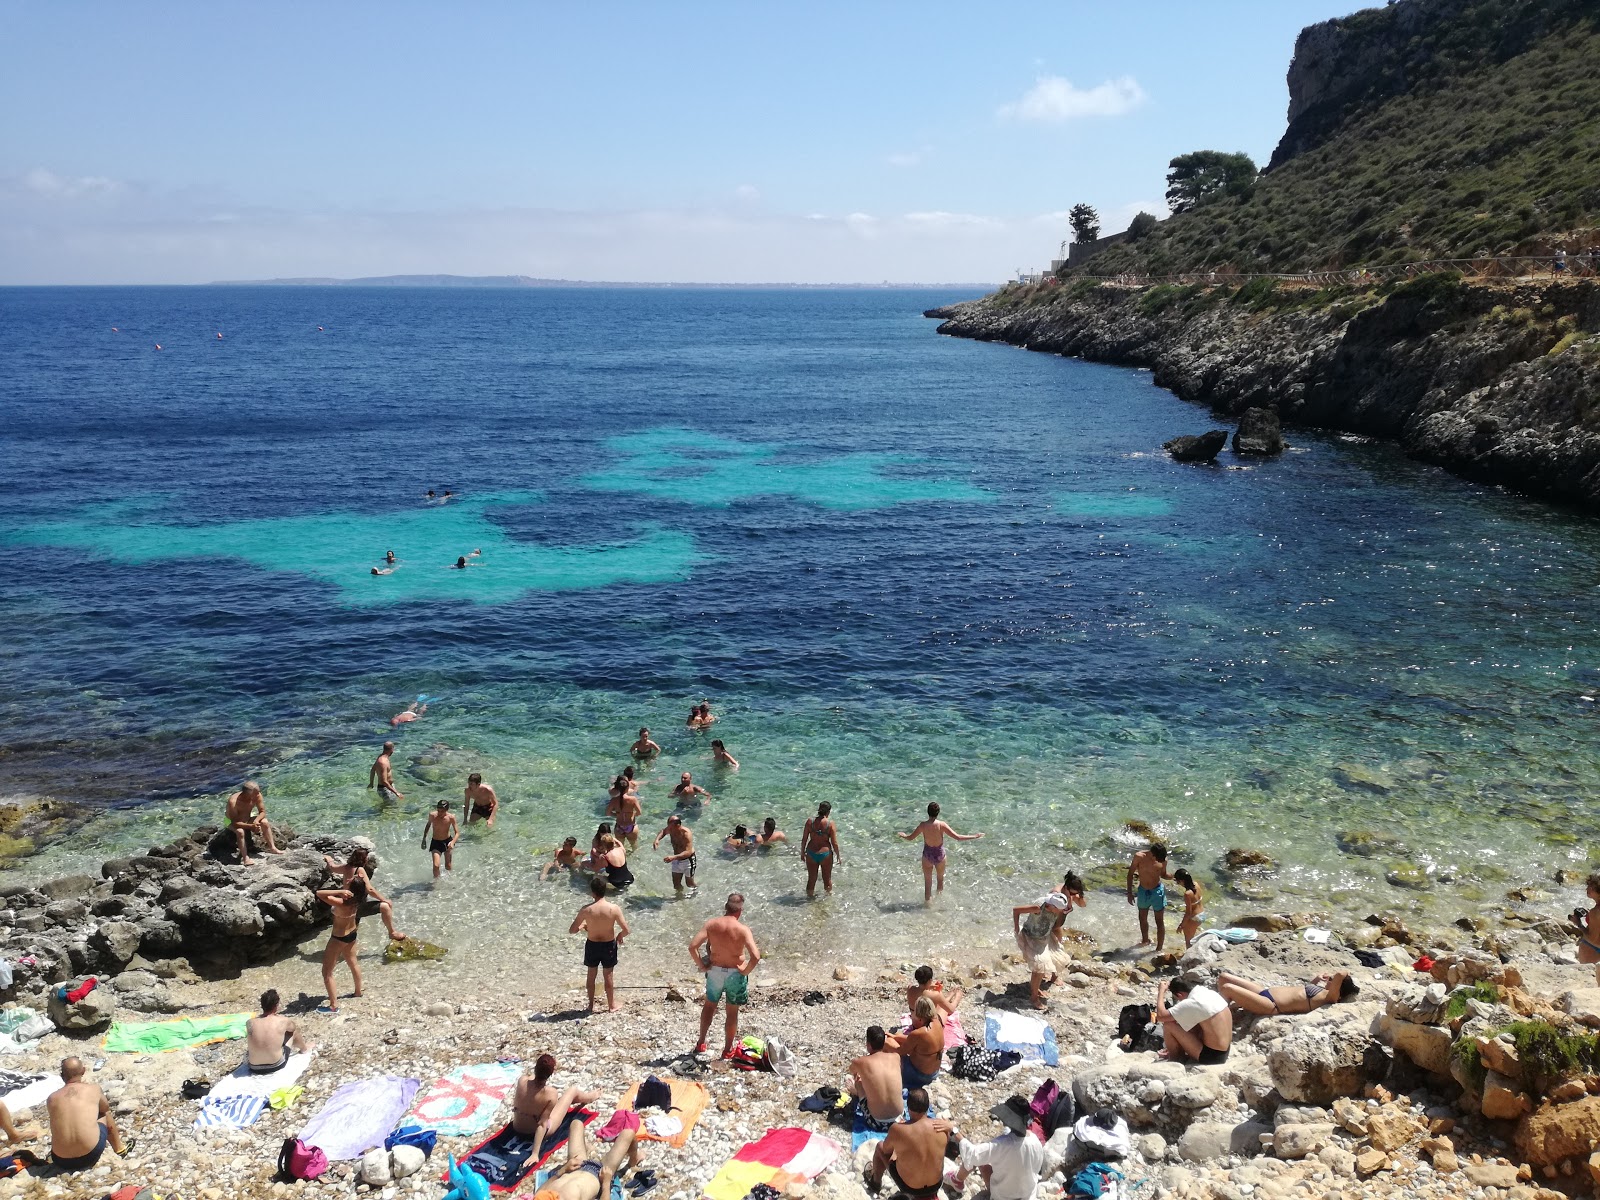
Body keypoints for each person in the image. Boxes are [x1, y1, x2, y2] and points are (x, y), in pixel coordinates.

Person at [688, 893, 761, 1057]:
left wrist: (702, 966)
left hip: (715, 972)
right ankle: (727, 1050)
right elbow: (755, 956)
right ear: (740, 911)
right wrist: (745, 971)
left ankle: (701, 1043)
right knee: (732, 1012)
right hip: (735, 975)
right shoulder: (742, 929)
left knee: (709, 1006)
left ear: (725, 907)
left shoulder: (712, 924)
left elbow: (692, 947)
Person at [946, 1096, 1046, 1200]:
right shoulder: (1035, 1140)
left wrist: (953, 1130)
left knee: (982, 1160)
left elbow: (973, 1154)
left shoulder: (1003, 1144)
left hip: (1003, 1196)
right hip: (1028, 1195)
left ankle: (956, 1180)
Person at [528, 1116, 640, 1200]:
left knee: (576, 1123)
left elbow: (539, 1191)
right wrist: (606, 1183)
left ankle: (587, 1148)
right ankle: (634, 1159)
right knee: (628, 1133)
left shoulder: (542, 1197)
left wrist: (562, 1171)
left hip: (575, 1167)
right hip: (599, 1174)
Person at [46, 1057, 127, 1172]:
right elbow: (105, 1108)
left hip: (60, 1160)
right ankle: (119, 1149)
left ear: (61, 1075)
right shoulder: (93, 1089)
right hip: (89, 1155)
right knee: (104, 1113)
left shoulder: (52, 1098)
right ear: (83, 1071)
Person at [865, 1088, 945, 1200]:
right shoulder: (941, 1126)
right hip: (935, 1185)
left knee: (880, 1147)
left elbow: (886, 1150)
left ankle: (875, 1183)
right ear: (928, 1106)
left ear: (908, 1107)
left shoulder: (898, 1129)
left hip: (911, 1188)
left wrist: (900, 1131)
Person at [897, 802, 983, 903]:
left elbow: (910, 838)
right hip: (940, 855)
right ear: (938, 812)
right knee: (940, 880)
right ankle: (939, 904)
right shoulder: (942, 825)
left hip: (927, 855)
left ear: (927, 812)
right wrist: (975, 836)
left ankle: (928, 907)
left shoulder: (923, 825)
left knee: (928, 883)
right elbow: (958, 837)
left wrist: (903, 835)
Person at [570, 876, 631, 1013]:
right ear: (605, 891)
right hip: (608, 945)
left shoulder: (586, 910)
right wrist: (620, 936)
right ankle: (611, 1005)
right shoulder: (613, 909)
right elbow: (626, 930)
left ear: (592, 892)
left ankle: (591, 1006)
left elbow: (572, 930)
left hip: (592, 945)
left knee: (591, 975)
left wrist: (583, 926)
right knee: (608, 975)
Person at [323, 847, 406, 941]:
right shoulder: (359, 870)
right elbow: (370, 889)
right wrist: (384, 899)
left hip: (347, 904)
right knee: (385, 907)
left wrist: (329, 859)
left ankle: (350, 943)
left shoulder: (346, 867)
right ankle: (392, 933)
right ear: (364, 859)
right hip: (356, 906)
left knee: (352, 928)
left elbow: (333, 867)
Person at [1012, 893, 1070, 1009]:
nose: (1060, 912)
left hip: (1045, 937)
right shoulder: (1038, 907)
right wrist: (1016, 927)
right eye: (1059, 910)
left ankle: (1036, 987)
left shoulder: (1057, 908)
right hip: (1031, 938)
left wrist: (1064, 915)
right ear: (1052, 906)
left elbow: (1056, 924)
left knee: (1059, 958)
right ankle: (1033, 997)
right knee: (1039, 967)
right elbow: (1016, 910)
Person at [1214, 970, 1360, 1017]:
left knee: (1228, 988)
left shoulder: (1330, 998)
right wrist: (1315, 981)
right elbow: (1302, 994)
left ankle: (1216, 1017)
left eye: (1334, 981)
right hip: (1265, 992)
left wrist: (1346, 975)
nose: (1331, 979)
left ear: (1338, 991)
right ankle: (1226, 1011)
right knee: (1224, 977)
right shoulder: (1323, 992)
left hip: (1271, 1005)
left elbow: (1341, 974)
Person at [1154, 978, 1232, 1064]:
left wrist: (1161, 991)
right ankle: (1177, 1052)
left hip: (1212, 1056)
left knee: (1168, 1025)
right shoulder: (1207, 993)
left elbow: (1161, 1016)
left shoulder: (1192, 1002)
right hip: (1225, 1051)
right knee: (1186, 1022)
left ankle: (1175, 1060)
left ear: (1180, 995)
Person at [316, 878, 366, 1011]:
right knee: (353, 963)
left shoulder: (341, 902)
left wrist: (340, 891)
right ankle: (358, 992)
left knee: (327, 972)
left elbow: (319, 893)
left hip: (339, 937)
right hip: (352, 933)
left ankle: (333, 1006)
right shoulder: (357, 901)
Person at [847, 1026, 906, 1132]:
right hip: (900, 1118)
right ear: (884, 1042)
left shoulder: (860, 1062)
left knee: (857, 1081)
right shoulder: (896, 1057)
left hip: (877, 1122)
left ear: (868, 1044)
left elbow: (852, 1070)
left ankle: (856, 1093)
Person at [246, 988, 313, 1074]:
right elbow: (292, 1028)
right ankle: (304, 1049)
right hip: (275, 1065)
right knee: (292, 1032)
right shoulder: (283, 1021)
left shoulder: (250, 1022)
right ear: (276, 1006)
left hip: (253, 1067)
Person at [885, 996, 943, 1089]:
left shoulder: (918, 1033)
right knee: (896, 1037)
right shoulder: (937, 1023)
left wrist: (888, 1042)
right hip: (934, 1073)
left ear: (920, 1017)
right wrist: (896, 1037)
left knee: (888, 1042)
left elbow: (900, 1051)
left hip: (920, 1076)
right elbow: (913, 1040)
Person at [1126, 843, 1173, 950]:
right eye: (1157, 858)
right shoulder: (1139, 857)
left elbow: (1163, 874)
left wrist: (1174, 877)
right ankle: (1145, 940)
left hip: (1157, 891)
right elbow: (1130, 874)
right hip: (1143, 891)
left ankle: (1159, 948)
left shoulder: (1163, 860)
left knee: (1159, 920)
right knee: (1142, 918)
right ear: (1152, 854)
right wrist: (1129, 892)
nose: (1159, 860)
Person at [225, 781, 283, 865]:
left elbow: (262, 812)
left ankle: (273, 848)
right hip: (230, 821)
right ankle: (245, 858)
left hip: (247, 818)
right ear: (247, 794)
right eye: (255, 794)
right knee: (240, 832)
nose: (258, 795)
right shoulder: (233, 802)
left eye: (258, 793)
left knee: (265, 822)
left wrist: (256, 821)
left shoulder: (257, 795)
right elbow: (235, 823)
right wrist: (251, 826)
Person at [802, 801, 841, 898]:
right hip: (825, 854)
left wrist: (802, 852)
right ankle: (827, 900)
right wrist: (838, 856)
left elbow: (804, 839)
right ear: (828, 812)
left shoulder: (809, 822)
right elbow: (834, 843)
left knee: (811, 879)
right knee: (827, 879)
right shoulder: (830, 824)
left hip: (811, 853)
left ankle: (809, 900)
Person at [654, 814, 697, 894]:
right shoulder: (671, 829)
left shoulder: (686, 834)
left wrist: (673, 857)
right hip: (676, 859)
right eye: (668, 826)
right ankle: (679, 898)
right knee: (676, 884)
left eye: (671, 827)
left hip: (688, 860)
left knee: (689, 884)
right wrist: (657, 840)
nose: (669, 829)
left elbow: (688, 852)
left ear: (678, 826)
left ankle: (696, 893)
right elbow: (663, 831)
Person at [1570, 873, 1600, 983]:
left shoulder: (1595, 912)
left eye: (1591, 887)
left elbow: (1594, 939)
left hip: (1592, 950)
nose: (1587, 889)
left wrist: (1579, 924)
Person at [421, 798, 459, 878]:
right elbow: (428, 825)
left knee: (448, 866)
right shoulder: (432, 815)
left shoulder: (451, 817)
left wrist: (452, 842)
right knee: (436, 865)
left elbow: (457, 833)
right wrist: (424, 839)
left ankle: (449, 880)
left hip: (447, 842)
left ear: (447, 810)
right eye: (438, 810)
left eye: (442, 811)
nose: (440, 813)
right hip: (436, 842)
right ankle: (436, 884)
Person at [1173, 868, 1205, 948]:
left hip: (1195, 917)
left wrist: (1181, 925)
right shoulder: (1196, 884)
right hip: (1202, 914)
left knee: (1189, 942)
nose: (1178, 883)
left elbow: (1188, 913)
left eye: (1178, 881)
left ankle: (1190, 958)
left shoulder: (1187, 894)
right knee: (1193, 937)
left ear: (1182, 881)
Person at [607, 778, 642, 850]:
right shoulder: (633, 799)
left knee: (620, 848)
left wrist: (617, 815)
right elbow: (639, 812)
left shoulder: (614, 800)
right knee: (634, 846)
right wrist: (632, 814)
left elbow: (608, 813)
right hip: (631, 826)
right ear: (627, 789)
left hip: (619, 827)